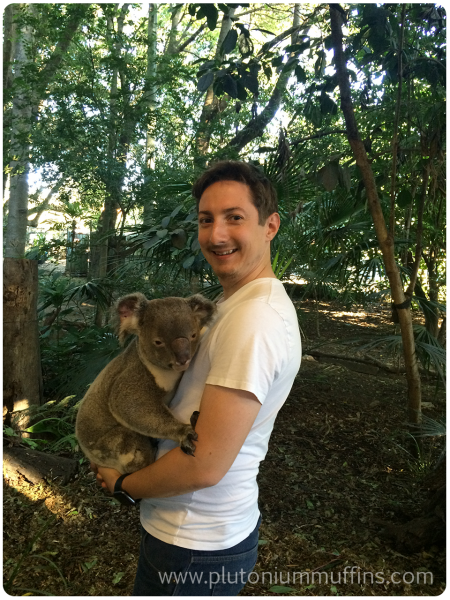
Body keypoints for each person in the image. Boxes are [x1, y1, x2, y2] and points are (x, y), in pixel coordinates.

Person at [93, 160, 302, 596]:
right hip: (204, 533)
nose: (216, 235)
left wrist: (125, 487)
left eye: (235, 218)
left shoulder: (254, 321)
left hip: (193, 541)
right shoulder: (229, 307)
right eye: (206, 220)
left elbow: (204, 463)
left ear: (270, 226)